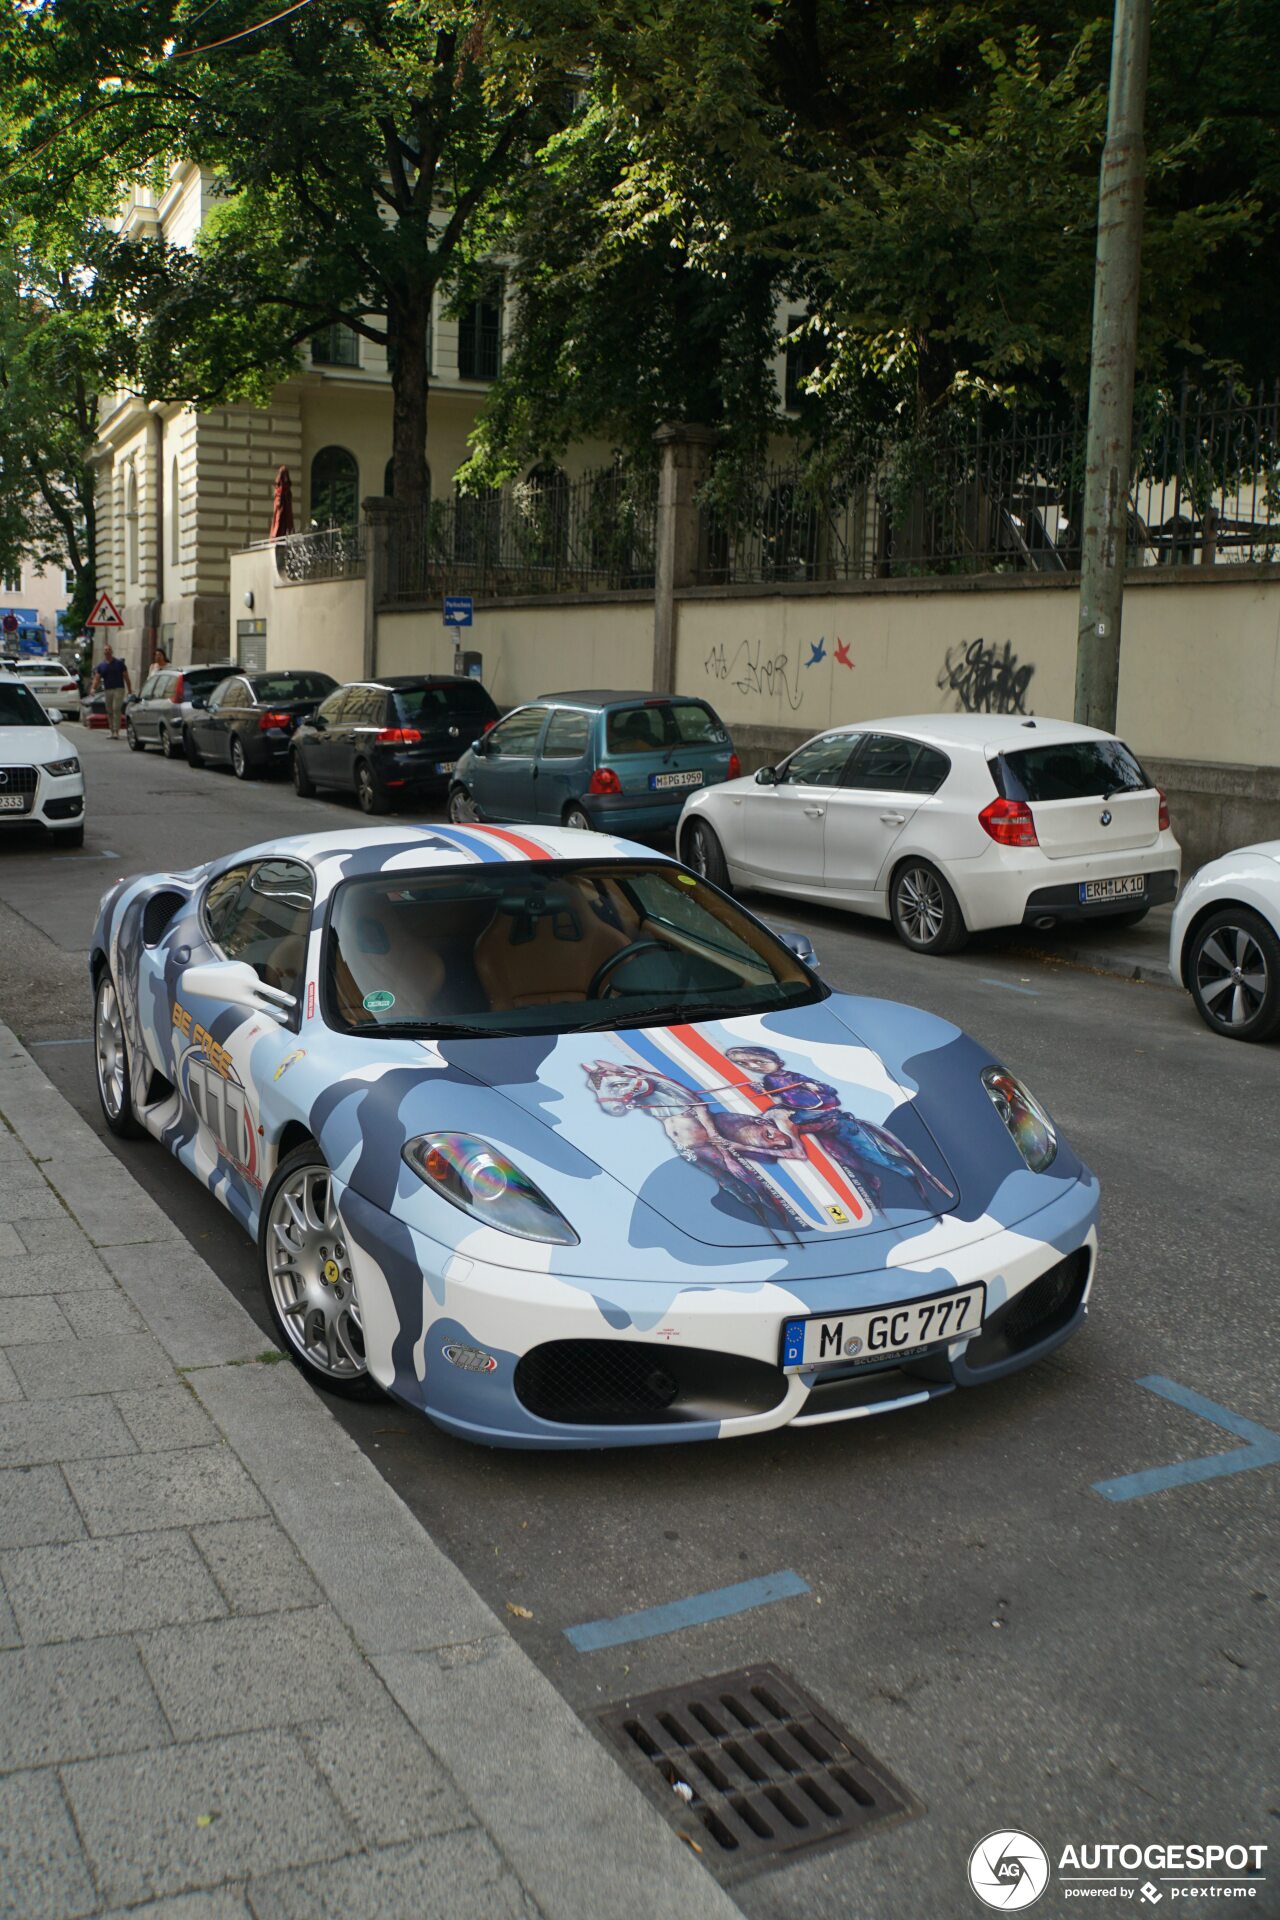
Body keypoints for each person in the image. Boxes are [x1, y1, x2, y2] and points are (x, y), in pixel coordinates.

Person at [90, 639, 132, 739]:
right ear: (104, 652)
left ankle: (116, 731)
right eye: (106, 650)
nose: (107, 651)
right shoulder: (101, 666)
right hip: (108, 690)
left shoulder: (119, 664)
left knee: (116, 709)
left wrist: (130, 689)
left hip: (119, 689)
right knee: (109, 710)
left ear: (111, 651)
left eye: (109, 649)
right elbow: (97, 678)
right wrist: (93, 688)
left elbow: (126, 677)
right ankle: (112, 730)